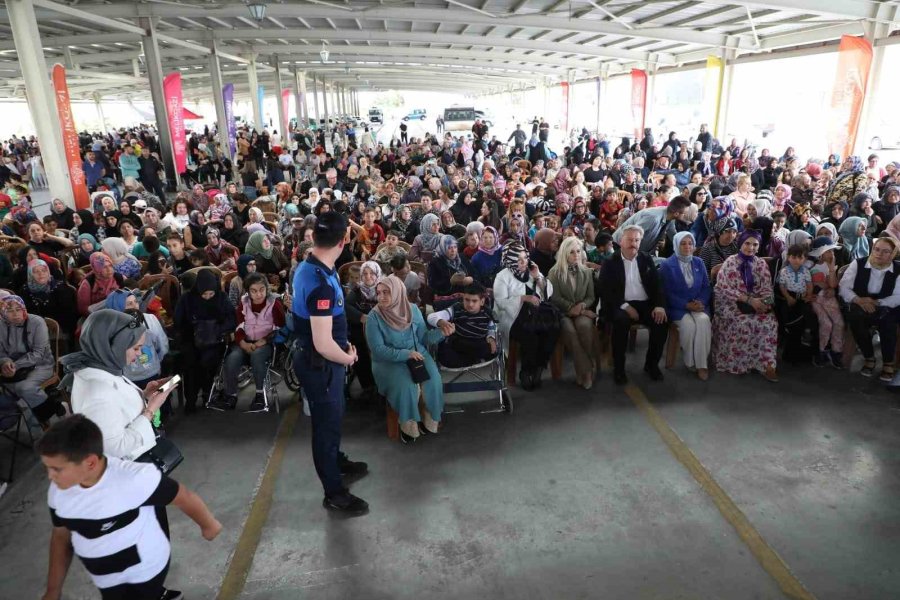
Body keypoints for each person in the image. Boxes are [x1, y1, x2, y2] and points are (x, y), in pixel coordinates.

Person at [37, 415, 221, 600]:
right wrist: (53, 589)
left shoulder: (134, 479)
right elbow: (61, 536)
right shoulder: (59, 492)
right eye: (47, 468)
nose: (50, 476)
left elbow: (183, 497)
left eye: (57, 469)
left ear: (90, 462)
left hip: (144, 571)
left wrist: (208, 525)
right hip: (105, 578)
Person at [291, 211, 369, 516]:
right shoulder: (321, 282)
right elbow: (323, 344)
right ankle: (334, 492)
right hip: (320, 363)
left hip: (321, 359)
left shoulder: (310, 266)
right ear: (345, 239)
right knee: (326, 426)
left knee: (334, 417)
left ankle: (336, 461)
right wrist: (348, 356)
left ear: (313, 237)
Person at [366, 275, 447, 443]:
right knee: (408, 387)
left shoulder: (413, 310)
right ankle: (408, 427)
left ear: (397, 292)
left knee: (433, 380)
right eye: (379, 292)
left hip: (418, 354)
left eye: (386, 292)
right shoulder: (374, 317)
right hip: (388, 361)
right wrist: (405, 354)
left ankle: (430, 421)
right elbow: (378, 350)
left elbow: (424, 338)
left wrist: (441, 333)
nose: (381, 297)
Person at [598, 225, 669, 385]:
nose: (633, 243)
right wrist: (625, 307)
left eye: (637, 240)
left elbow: (657, 285)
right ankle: (619, 369)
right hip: (620, 304)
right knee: (620, 323)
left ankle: (651, 365)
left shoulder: (645, 258)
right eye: (630, 240)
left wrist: (659, 305)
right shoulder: (610, 262)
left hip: (644, 304)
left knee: (661, 322)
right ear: (621, 241)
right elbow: (605, 291)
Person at [211, 273, 285, 413]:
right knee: (232, 359)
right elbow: (239, 326)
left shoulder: (274, 304)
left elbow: (280, 328)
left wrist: (263, 341)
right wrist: (243, 343)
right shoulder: (243, 303)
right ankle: (231, 395)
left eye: (262, 289)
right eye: (254, 291)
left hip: (267, 343)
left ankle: (259, 395)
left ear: (267, 289)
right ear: (248, 291)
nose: (259, 294)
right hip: (246, 341)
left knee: (257, 356)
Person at [713, 230, 779, 382]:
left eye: (755, 244)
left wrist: (765, 303)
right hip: (730, 302)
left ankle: (767, 365)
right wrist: (748, 300)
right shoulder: (730, 262)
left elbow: (767, 288)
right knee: (742, 322)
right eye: (747, 243)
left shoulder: (761, 263)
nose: (751, 248)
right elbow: (722, 288)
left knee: (769, 322)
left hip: (756, 303)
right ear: (740, 243)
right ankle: (738, 364)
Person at [493, 240, 558, 390]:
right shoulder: (502, 276)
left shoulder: (531, 270)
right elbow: (501, 302)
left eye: (525, 258)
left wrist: (537, 277)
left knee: (553, 328)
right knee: (530, 335)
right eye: (519, 260)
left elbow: (547, 293)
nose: (523, 262)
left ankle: (539, 368)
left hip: (535, 313)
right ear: (509, 261)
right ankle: (526, 372)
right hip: (512, 316)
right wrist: (522, 298)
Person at [173, 269, 236, 414]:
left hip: (215, 340)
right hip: (191, 340)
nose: (207, 297)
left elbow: (231, 319)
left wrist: (217, 329)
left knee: (208, 360)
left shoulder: (222, 298)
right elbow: (179, 322)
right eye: (204, 294)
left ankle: (208, 392)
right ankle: (191, 399)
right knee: (190, 363)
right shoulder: (187, 299)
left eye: (211, 294)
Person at [839, 236, 900, 381]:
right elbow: (844, 287)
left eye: (886, 251)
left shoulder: (898, 269)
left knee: (889, 322)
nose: (879, 254)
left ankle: (888, 362)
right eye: (877, 249)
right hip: (860, 303)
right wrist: (859, 300)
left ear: (893, 254)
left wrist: (877, 302)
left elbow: (898, 295)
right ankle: (869, 357)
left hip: (886, 304)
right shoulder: (858, 263)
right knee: (856, 318)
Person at [0, 295, 64, 425]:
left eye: (19, 309)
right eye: (10, 311)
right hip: (13, 366)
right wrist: (5, 362)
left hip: (41, 364)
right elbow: (1, 351)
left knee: (23, 388)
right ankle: (46, 405)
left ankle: (51, 417)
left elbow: (39, 353)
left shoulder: (37, 322)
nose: (16, 314)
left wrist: (15, 365)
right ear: (2, 313)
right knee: (10, 386)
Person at [659, 232, 712, 380]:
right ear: (676, 245)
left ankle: (702, 365)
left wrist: (701, 302)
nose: (687, 246)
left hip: (698, 305)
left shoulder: (698, 262)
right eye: (683, 243)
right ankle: (690, 362)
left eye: (690, 243)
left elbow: (706, 287)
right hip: (677, 308)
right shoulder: (667, 265)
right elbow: (666, 292)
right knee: (689, 326)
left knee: (703, 321)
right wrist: (685, 305)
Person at [547, 237, 599, 389]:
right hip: (562, 313)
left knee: (584, 326)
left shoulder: (586, 272)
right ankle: (587, 370)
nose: (576, 255)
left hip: (581, 311)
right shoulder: (554, 272)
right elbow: (554, 297)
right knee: (569, 331)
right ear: (564, 253)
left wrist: (581, 307)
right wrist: (571, 308)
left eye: (578, 251)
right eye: (572, 252)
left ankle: (581, 372)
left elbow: (591, 297)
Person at [103, 290, 169, 388]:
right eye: (130, 304)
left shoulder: (149, 319)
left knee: (158, 397)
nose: (135, 306)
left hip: (152, 373)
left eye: (136, 302)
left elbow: (162, 345)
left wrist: (156, 363)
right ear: (116, 308)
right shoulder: (109, 330)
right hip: (128, 379)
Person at [427, 282, 497, 369]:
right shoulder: (456, 308)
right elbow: (431, 317)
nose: (470, 304)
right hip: (459, 342)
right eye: (467, 300)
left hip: (478, 342)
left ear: (482, 301)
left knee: (489, 348)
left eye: (474, 301)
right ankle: (475, 360)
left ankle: (469, 360)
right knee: (445, 355)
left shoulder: (488, 313)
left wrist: (491, 337)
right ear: (463, 298)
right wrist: (442, 322)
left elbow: (492, 328)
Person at [20, 258, 79, 344]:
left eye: (44, 270)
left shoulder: (61, 288)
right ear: (30, 274)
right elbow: (25, 314)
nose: (41, 274)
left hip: (59, 330)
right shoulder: (25, 290)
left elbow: (69, 317)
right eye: (36, 271)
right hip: (34, 330)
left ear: (48, 271)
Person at [807, 237, 845, 368]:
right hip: (817, 299)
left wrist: (831, 269)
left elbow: (833, 284)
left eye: (832, 251)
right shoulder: (811, 266)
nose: (831, 254)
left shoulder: (832, 267)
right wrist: (818, 284)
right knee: (826, 323)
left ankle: (836, 351)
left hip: (829, 298)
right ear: (820, 253)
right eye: (828, 251)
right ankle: (821, 351)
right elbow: (809, 284)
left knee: (839, 322)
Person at [776, 244, 815, 364]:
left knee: (805, 318)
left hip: (802, 298)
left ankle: (805, 338)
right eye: (793, 257)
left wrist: (808, 295)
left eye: (800, 257)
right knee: (790, 322)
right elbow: (781, 286)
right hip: (789, 297)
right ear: (788, 257)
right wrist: (788, 297)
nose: (796, 260)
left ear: (804, 259)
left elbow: (809, 285)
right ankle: (788, 353)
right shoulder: (784, 271)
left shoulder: (806, 272)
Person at [612, 197, 691, 255]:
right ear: (676, 213)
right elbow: (632, 235)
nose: (686, 215)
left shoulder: (670, 216)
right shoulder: (653, 218)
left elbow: (673, 236)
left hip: (637, 251)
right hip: (620, 246)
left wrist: (685, 247)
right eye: (685, 213)